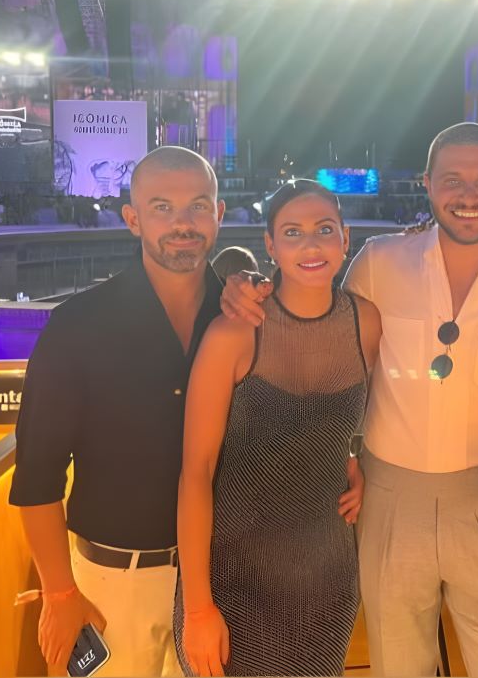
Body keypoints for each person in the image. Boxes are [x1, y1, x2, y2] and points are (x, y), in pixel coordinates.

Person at [221, 123, 478, 677]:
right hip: (385, 504)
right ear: (427, 183)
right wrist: (246, 284)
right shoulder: (381, 261)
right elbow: (322, 340)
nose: (468, 195)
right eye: (452, 179)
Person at [10, 146, 224, 676]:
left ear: (219, 214)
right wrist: (60, 593)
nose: (183, 223)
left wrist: (349, 463)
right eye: (162, 207)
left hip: (222, 580)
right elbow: (37, 475)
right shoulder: (78, 325)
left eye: (198, 206)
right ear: (133, 219)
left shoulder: (244, 317)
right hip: (112, 586)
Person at [175, 180, 380, 676]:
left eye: (324, 230)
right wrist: (198, 608)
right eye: (292, 232)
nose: (311, 245)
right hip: (232, 579)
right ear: (270, 245)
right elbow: (196, 472)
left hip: (327, 579)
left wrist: (355, 461)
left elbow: (353, 418)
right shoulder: (235, 332)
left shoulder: (367, 324)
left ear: (345, 239)